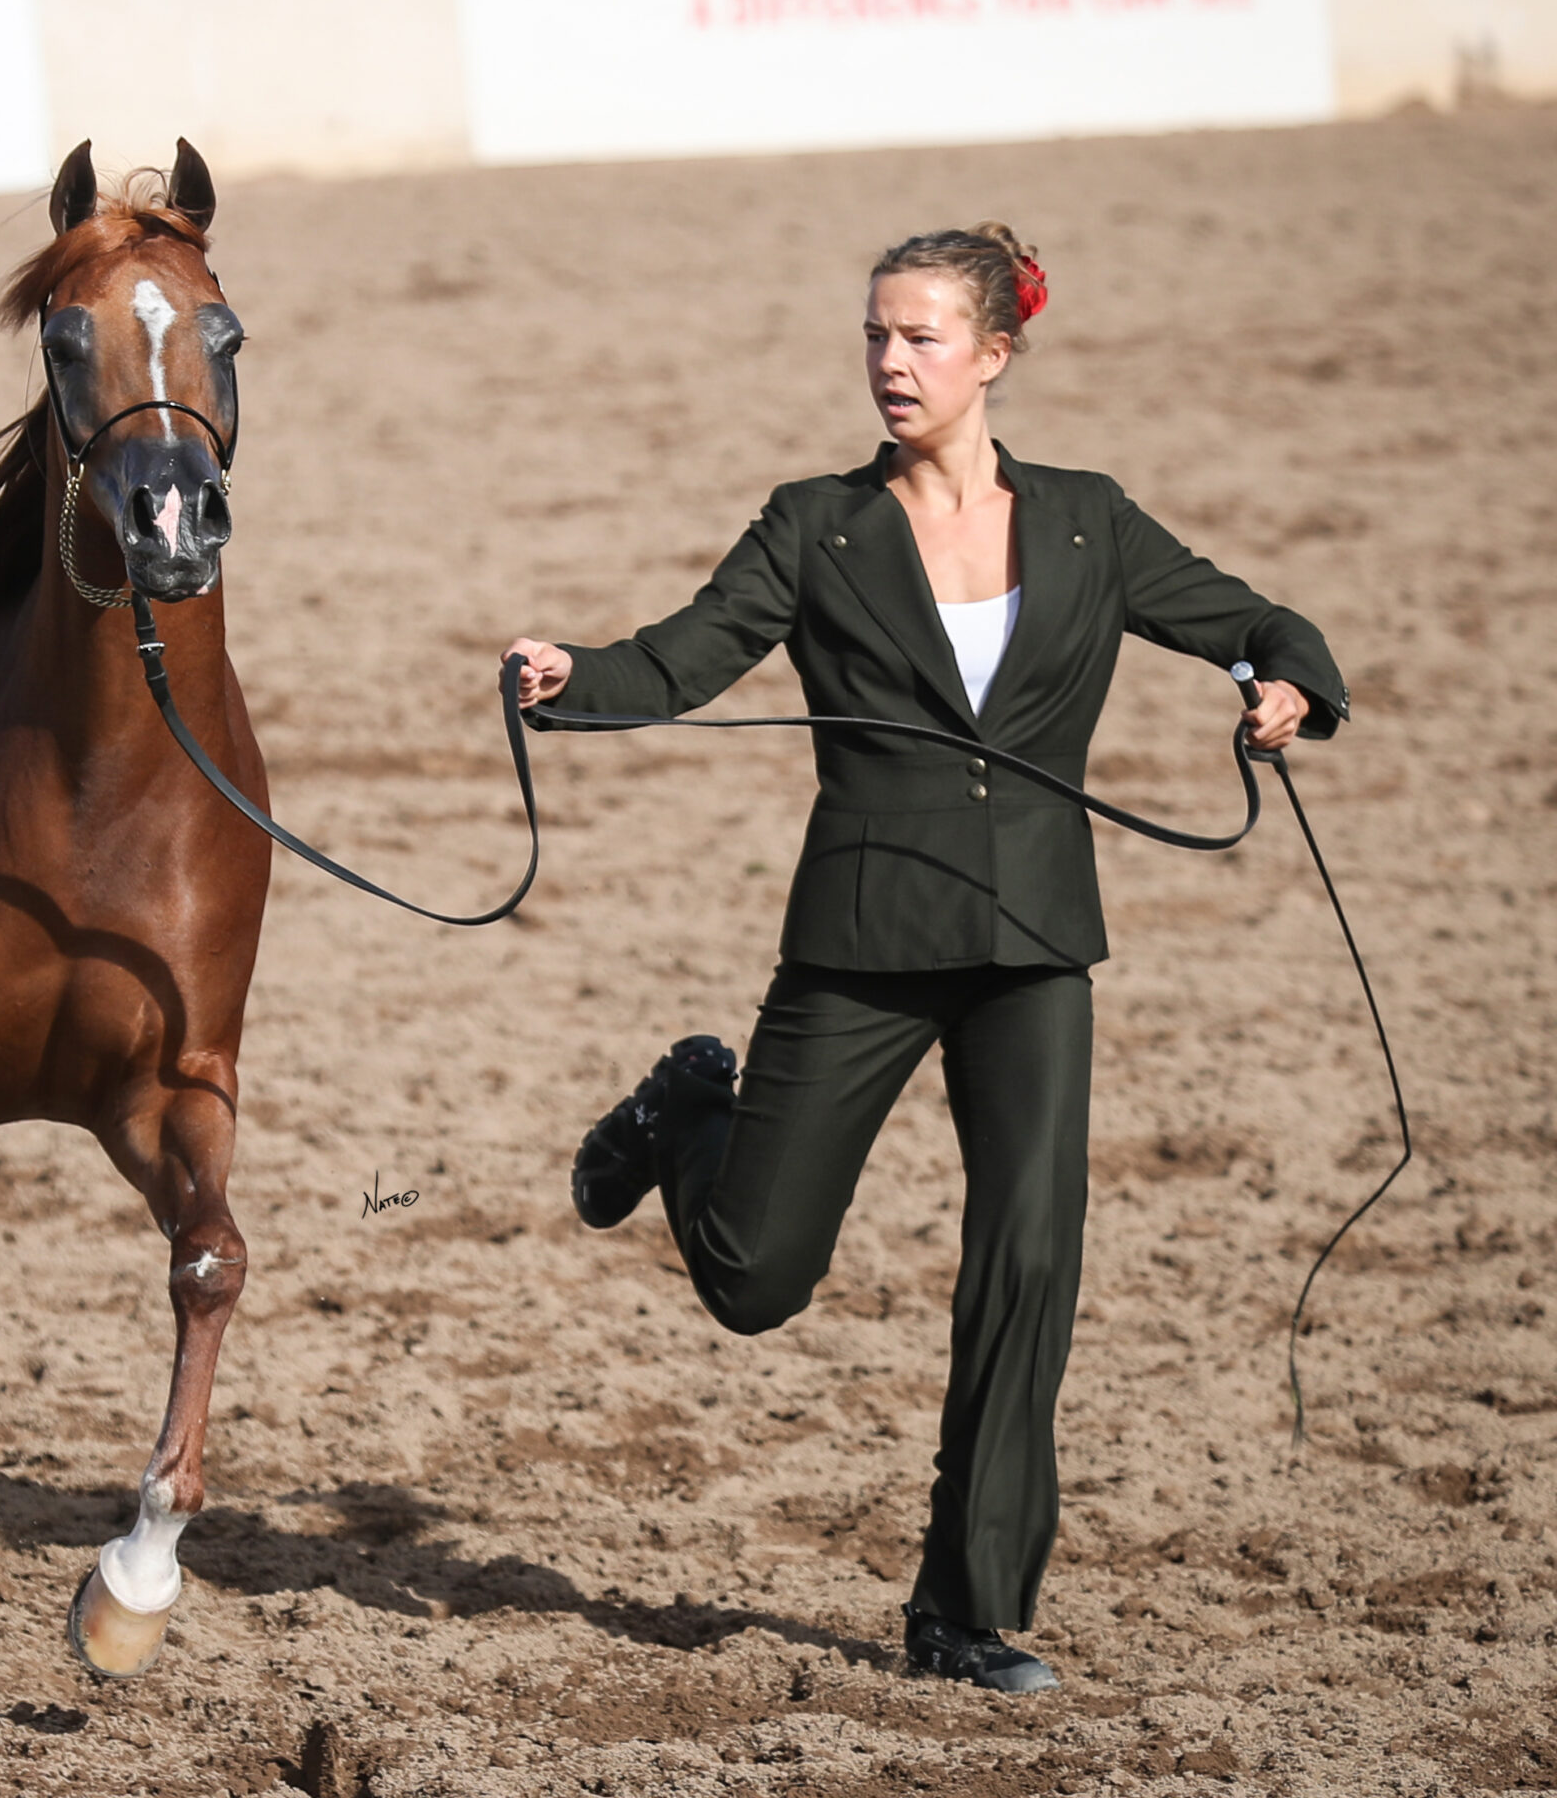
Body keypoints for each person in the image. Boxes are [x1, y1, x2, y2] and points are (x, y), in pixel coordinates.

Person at [502, 224, 1346, 1694]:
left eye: (922, 337)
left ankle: (965, 1608)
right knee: (754, 1277)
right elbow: (687, 655)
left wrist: (1286, 686)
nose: (891, 362)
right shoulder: (815, 525)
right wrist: (572, 678)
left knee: (1029, 1259)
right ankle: (689, 1112)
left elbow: (1253, 620)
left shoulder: (1086, 520)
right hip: (866, 931)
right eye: (875, 336)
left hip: (1033, 941)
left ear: (994, 354)